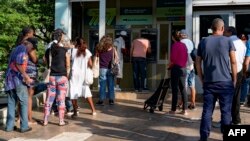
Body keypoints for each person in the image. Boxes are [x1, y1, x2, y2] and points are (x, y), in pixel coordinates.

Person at [196, 18, 237, 141]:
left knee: (207, 111)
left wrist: (201, 79)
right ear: (222, 29)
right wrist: (234, 79)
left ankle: (204, 138)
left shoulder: (203, 42)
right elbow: (234, 62)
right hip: (225, 82)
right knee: (226, 112)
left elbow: (197, 62)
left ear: (211, 28)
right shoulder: (228, 41)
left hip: (209, 82)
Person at [40, 28, 70, 126]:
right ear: (61, 36)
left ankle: (45, 120)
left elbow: (44, 60)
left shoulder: (49, 49)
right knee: (61, 100)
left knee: (49, 99)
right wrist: (67, 75)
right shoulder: (65, 50)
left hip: (52, 77)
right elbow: (68, 65)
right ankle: (61, 121)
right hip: (62, 77)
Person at [5, 40, 34, 133]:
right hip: (17, 80)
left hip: (9, 80)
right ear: (28, 44)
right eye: (32, 46)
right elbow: (18, 63)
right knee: (24, 102)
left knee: (11, 102)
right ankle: (24, 126)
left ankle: (9, 127)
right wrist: (26, 76)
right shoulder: (22, 49)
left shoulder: (15, 49)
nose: (31, 49)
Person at [69, 37, 96, 117]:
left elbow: (68, 63)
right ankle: (93, 110)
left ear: (76, 43)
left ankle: (75, 112)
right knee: (87, 91)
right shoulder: (87, 51)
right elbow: (91, 64)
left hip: (74, 75)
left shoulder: (71, 51)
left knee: (73, 92)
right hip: (83, 75)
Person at [224, 26, 246, 125]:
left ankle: (225, 120)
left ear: (229, 32)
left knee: (226, 97)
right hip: (239, 71)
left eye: (225, 31)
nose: (224, 33)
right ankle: (236, 120)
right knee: (236, 97)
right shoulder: (242, 43)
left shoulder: (227, 41)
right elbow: (244, 58)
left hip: (228, 72)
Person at [168, 30, 188, 115]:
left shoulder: (174, 45)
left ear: (173, 37)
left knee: (175, 89)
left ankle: (173, 110)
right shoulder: (184, 45)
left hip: (176, 68)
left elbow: (173, 59)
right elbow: (186, 56)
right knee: (183, 89)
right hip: (183, 68)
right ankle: (185, 110)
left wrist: (169, 67)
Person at [96, 35, 118, 105]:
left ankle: (101, 100)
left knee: (102, 85)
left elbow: (96, 57)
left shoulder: (99, 48)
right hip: (110, 69)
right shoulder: (113, 48)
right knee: (111, 84)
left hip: (102, 68)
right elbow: (117, 58)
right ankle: (111, 100)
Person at [179, 29, 196, 110]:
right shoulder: (191, 42)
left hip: (184, 66)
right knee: (192, 86)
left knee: (184, 86)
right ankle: (193, 103)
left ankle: (182, 103)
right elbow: (194, 53)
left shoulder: (181, 42)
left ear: (181, 35)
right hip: (191, 65)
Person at [26, 37, 39, 125]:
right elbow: (35, 60)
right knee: (29, 96)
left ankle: (20, 117)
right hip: (30, 75)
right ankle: (29, 118)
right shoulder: (31, 50)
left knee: (23, 97)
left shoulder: (22, 48)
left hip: (25, 74)